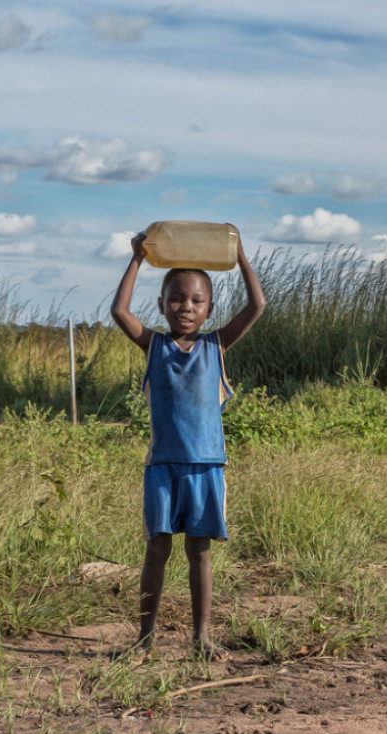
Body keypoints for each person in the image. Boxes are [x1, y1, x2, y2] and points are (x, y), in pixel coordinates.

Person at [110, 228, 265, 660]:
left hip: (206, 467)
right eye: (176, 299)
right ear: (161, 305)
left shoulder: (216, 345)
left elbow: (257, 306)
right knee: (156, 549)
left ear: (209, 308)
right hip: (163, 466)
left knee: (199, 552)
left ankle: (201, 638)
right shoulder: (154, 346)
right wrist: (138, 258)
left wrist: (241, 258)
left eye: (197, 301)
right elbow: (119, 311)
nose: (186, 307)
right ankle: (144, 639)